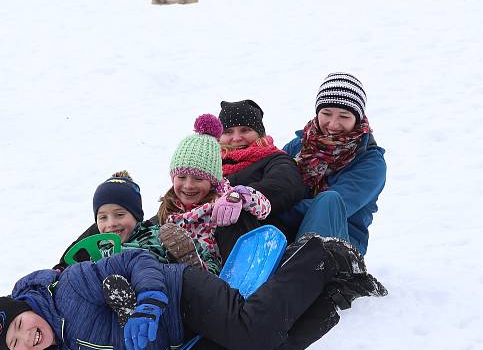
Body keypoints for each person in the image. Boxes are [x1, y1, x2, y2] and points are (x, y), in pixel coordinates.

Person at [0, 234, 387, 350]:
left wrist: (148, 304)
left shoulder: (68, 289)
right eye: (14, 343)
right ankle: (331, 295)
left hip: (181, 293)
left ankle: (320, 256)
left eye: (19, 324)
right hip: (180, 342)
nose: (26, 337)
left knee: (253, 330)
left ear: (25, 306)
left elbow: (138, 260)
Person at [282, 73, 386, 256]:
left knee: (328, 200)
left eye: (344, 116)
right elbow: (273, 180)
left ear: (358, 118)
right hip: (287, 234)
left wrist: (271, 207)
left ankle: (307, 271)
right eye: (326, 113)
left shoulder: (370, 163)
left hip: (337, 246)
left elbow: (333, 207)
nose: (333, 124)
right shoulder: (299, 146)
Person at [156, 114, 271, 267]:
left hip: (221, 268)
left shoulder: (224, 196)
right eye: (181, 177)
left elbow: (264, 208)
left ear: (212, 182)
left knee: (237, 216)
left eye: (198, 179)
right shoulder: (168, 207)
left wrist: (240, 196)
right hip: (178, 274)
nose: (188, 185)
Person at [56, 171, 218, 272]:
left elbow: (204, 254)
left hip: (161, 289)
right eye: (103, 217)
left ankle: (194, 273)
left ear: (136, 216)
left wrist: (202, 266)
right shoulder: (97, 251)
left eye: (119, 215)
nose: (111, 223)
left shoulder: (158, 236)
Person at [215, 99, 306, 256]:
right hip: (209, 240)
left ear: (259, 133)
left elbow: (285, 183)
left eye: (245, 130)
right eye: (228, 132)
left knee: (235, 214)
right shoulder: (208, 166)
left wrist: (240, 197)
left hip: (261, 239)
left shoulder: (275, 158)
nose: (236, 138)